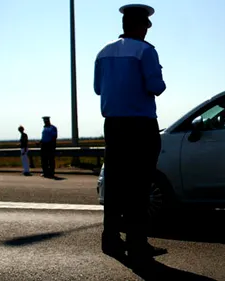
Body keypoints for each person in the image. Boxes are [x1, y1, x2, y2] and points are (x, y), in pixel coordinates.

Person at [93, 3, 167, 266]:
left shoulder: (103, 51)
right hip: (140, 125)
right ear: (140, 25)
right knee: (139, 185)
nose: (148, 29)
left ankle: (111, 239)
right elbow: (156, 87)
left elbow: (97, 89)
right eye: (146, 25)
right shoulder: (146, 51)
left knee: (114, 183)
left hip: (113, 126)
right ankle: (137, 243)